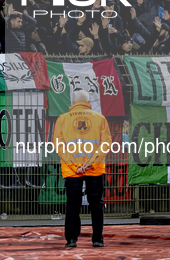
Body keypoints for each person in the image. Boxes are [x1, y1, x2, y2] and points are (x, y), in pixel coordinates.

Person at [53, 90, 111, 248]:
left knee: (73, 203)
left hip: (73, 170)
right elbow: (106, 144)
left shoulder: (62, 119)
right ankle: (97, 239)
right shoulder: (100, 118)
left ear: (72, 102)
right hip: (94, 169)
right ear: (88, 101)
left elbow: (59, 146)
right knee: (96, 204)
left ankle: (71, 240)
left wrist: (75, 164)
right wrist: (91, 163)